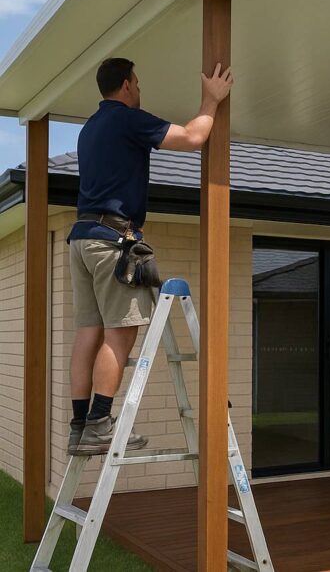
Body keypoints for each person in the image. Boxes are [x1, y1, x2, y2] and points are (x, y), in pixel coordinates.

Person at [66, 57, 233, 455]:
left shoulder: (90, 128)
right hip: (111, 241)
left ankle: (79, 426)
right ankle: (101, 423)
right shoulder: (126, 119)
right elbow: (194, 138)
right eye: (137, 83)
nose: (140, 90)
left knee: (88, 334)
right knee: (119, 333)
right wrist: (211, 100)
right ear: (125, 86)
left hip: (83, 238)